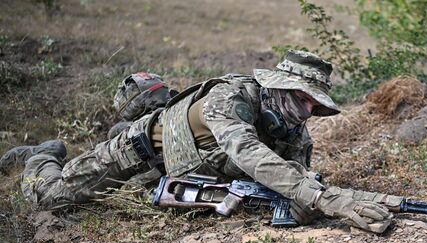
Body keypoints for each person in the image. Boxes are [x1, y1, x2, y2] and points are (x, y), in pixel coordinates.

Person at [0, 50, 398, 233]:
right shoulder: (231, 97)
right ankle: (42, 155)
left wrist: (309, 204)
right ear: (278, 87)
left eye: (315, 104)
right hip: (139, 151)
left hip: (186, 175)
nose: (308, 111)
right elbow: (248, 153)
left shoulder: (294, 131)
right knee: (51, 199)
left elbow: (294, 180)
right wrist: (330, 200)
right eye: (302, 98)